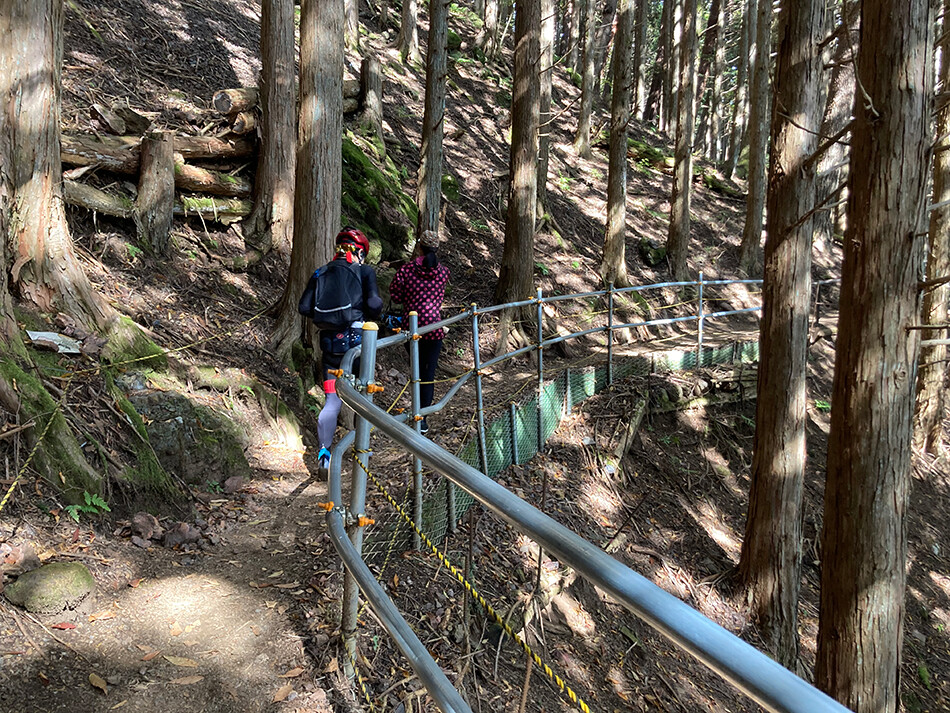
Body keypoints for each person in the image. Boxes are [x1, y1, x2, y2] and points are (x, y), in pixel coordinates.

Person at [308, 227, 383, 477]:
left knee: (331, 400)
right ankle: (362, 449)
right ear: (360, 252)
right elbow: (374, 305)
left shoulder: (321, 272)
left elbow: (303, 306)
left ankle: (324, 454)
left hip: (330, 346)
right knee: (363, 394)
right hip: (358, 345)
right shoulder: (364, 272)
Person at [389, 230, 450, 435]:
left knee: (416, 371)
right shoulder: (443, 272)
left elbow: (396, 296)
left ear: (420, 246)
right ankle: (422, 418)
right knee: (428, 373)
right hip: (434, 327)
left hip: (412, 327)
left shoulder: (406, 271)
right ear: (437, 248)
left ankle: (417, 414)